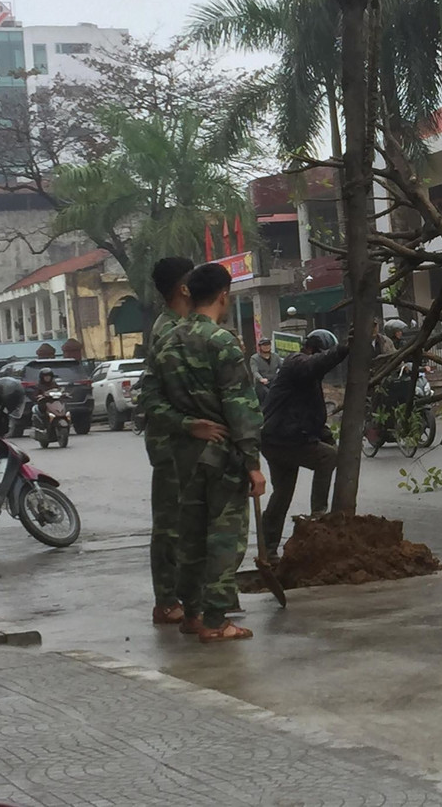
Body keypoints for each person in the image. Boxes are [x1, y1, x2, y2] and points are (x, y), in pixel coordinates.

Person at [147, 262, 265, 643]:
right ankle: (216, 620)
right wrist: (253, 463)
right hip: (223, 458)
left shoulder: (166, 339)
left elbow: (148, 400)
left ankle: (192, 613)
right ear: (222, 296)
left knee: (191, 536)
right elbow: (240, 407)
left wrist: (185, 425)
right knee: (224, 539)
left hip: (185, 458)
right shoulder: (222, 341)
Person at [138, 256, 229, 627]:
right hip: (172, 442)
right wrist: (189, 424)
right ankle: (168, 599)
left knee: (190, 521)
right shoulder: (169, 331)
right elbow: (154, 396)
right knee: (172, 524)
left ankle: (188, 597)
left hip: (186, 441)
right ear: (184, 289)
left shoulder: (183, 326)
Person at [259, 328, 349, 563]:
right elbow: (315, 364)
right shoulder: (295, 363)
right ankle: (317, 517)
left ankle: (267, 549)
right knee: (328, 458)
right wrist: (341, 350)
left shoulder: (307, 381)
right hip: (282, 439)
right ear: (310, 349)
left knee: (282, 494)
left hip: (280, 439)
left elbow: (313, 417)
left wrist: (327, 437)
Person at [249, 338, 280, 405]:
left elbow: (282, 367)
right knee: (266, 395)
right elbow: (255, 371)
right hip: (261, 384)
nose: (266, 347)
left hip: (273, 382)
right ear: (260, 347)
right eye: (264, 345)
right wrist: (261, 379)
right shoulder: (254, 358)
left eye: (268, 345)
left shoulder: (276, 356)